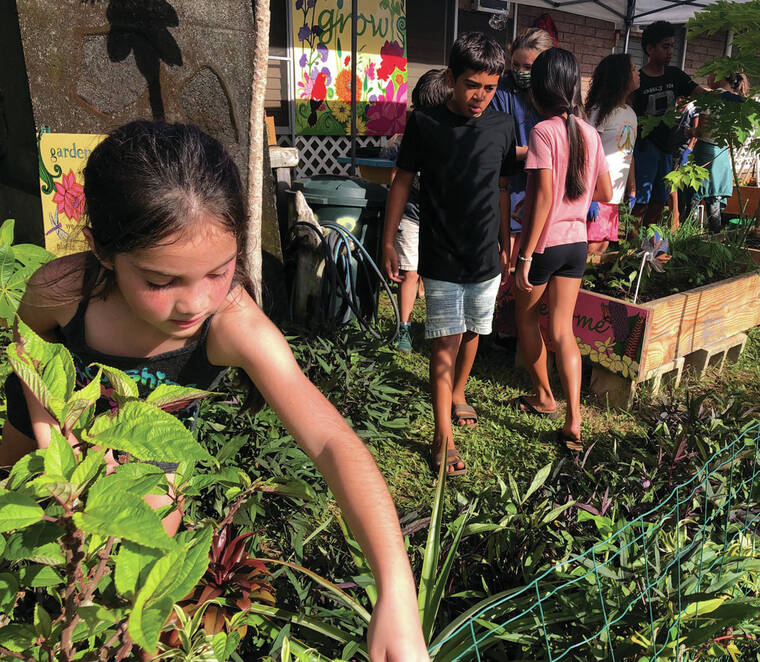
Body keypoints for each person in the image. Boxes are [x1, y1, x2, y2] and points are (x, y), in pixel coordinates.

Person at [0, 121, 430, 662]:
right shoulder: (62, 290)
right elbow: (29, 344)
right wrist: (51, 436)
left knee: (140, 600)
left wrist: (396, 588)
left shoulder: (234, 326)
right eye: (160, 281)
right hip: (43, 428)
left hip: (152, 467)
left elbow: (332, 442)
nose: (196, 304)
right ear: (102, 250)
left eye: (219, 271)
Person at [382, 32, 518, 474]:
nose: (481, 96)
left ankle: (459, 391)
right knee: (445, 341)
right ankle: (442, 435)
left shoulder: (503, 126)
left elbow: (502, 186)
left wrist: (506, 239)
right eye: (471, 85)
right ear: (451, 78)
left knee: (475, 330)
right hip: (440, 254)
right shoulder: (425, 123)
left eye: (490, 87)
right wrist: (388, 239)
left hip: (485, 256)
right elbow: (402, 180)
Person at [512, 48, 612, 452]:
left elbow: (542, 197)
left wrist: (524, 256)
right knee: (562, 331)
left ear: (539, 88)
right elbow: (605, 192)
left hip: (544, 245)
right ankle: (574, 417)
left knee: (525, 319)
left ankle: (544, 397)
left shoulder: (542, 132)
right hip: (576, 244)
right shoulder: (590, 133)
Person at [381, 68, 451, 353]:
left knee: (438, 274)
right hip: (411, 213)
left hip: (441, 216)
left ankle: (440, 328)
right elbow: (397, 175)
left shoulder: (453, 136)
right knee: (409, 271)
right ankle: (405, 327)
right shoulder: (410, 135)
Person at [631, 21, 710, 229]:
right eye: (665, 46)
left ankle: (649, 243)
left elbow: (702, 94)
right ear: (650, 49)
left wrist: (721, 97)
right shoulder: (638, 81)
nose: (670, 52)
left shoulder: (675, 75)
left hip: (667, 149)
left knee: (659, 201)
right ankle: (631, 244)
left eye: (672, 46)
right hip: (644, 148)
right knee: (641, 203)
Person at [584, 53, 639, 254]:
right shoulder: (599, 112)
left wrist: (631, 190)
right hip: (597, 194)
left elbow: (628, 153)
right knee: (591, 247)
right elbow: (586, 153)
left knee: (603, 245)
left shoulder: (630, 113)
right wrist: (591, 195)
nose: (638, 73)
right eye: (633, 69)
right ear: (620, 76)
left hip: (615, 196)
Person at [690, 72, 750, 233]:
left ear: (721, 77)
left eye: (712, 74)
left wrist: (689, 131)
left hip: (705, 149)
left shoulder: (711, 97)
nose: (708, 78)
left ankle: (688, 233)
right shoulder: (739, 102)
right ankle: (714, 235)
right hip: (722, 152)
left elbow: (701, 131)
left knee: (696, 192)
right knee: (714, 195)